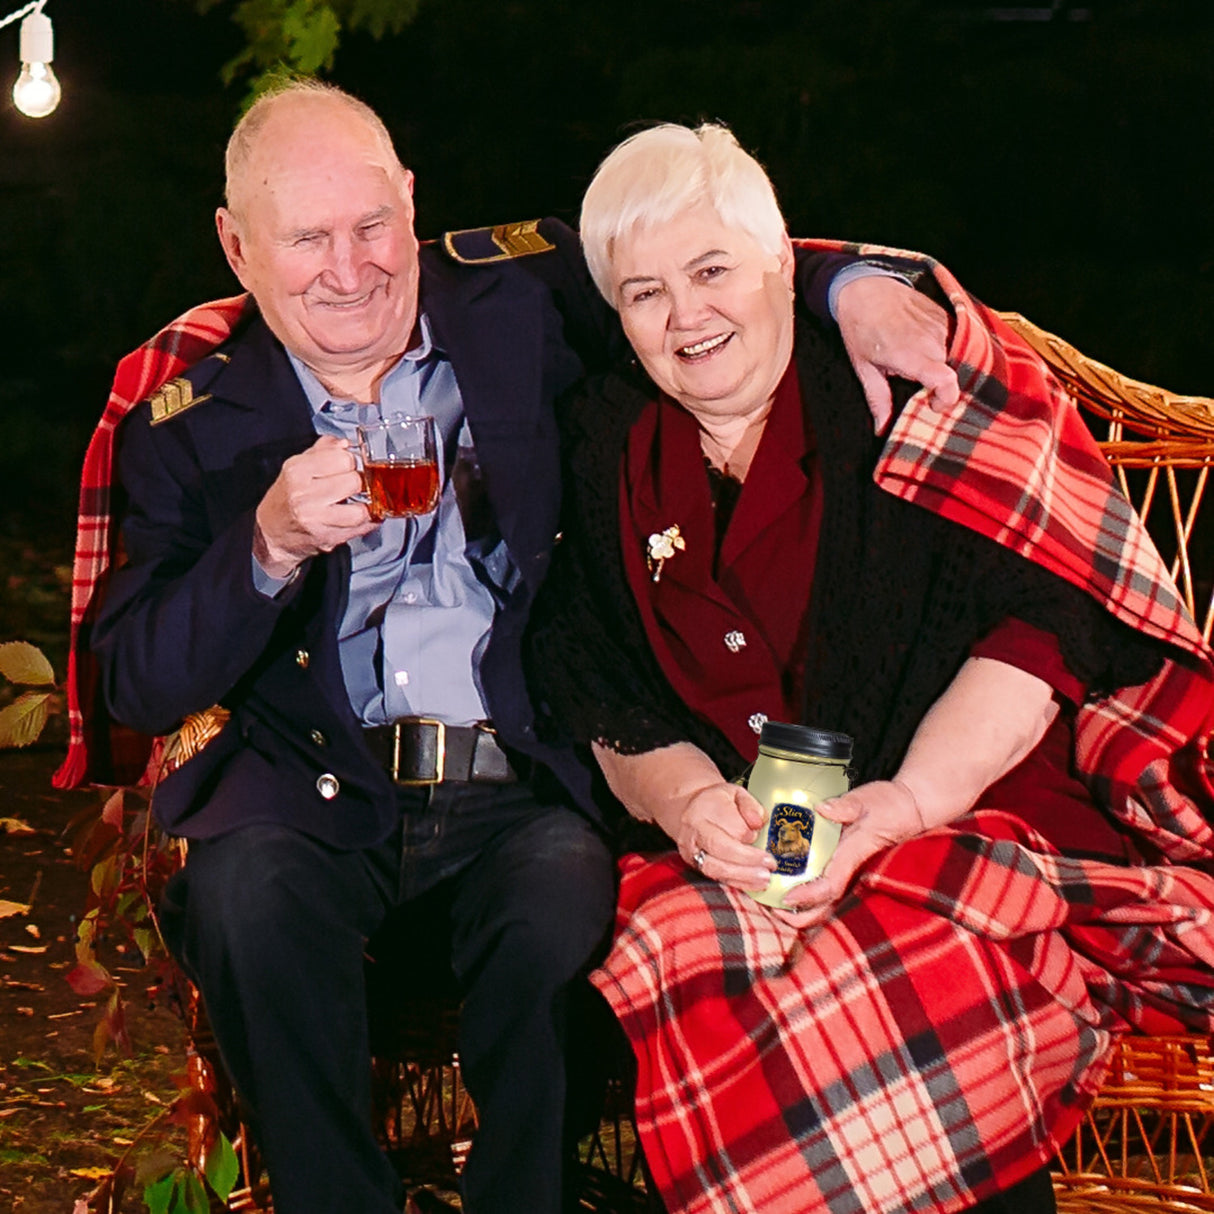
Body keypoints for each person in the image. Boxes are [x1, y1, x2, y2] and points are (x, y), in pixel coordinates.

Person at [65, 83, 959, 1214]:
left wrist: (854, 285)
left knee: (557, 904)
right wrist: (266, 544)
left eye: (370, 225)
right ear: (237, 247)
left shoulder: (516, 300)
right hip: (305, 789)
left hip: (514, 782)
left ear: (409, 199)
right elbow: (133, 676)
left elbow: (697, 258)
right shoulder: (189, 420)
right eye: (305, 240)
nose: (350, 269)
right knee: (247, 901)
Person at [525, 122, 1214, 1214]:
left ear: (778, 266)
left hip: (949, 799)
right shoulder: (599, 436)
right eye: (643, 291)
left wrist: (907, 802)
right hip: (735, 852)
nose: (685, 314)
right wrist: (694, 803)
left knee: (925, 955)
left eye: (711, 270)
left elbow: (1039, 623)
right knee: (681, 947)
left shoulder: (898, 392)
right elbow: (585, 668)